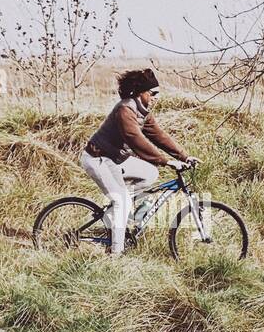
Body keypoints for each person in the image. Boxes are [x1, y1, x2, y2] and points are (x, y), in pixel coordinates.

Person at [81, 68, 197, 256]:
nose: (156, 97)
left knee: (150, 174)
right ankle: (116, 254)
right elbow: (135, 139)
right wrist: (166, 161)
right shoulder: (125, 109)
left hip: (116, 159)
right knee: (123, 201)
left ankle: (115, 215)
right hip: (98, 158)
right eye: (153, 93)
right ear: (140, 92)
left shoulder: (143, 112)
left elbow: (159, 136)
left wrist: (184, 156)